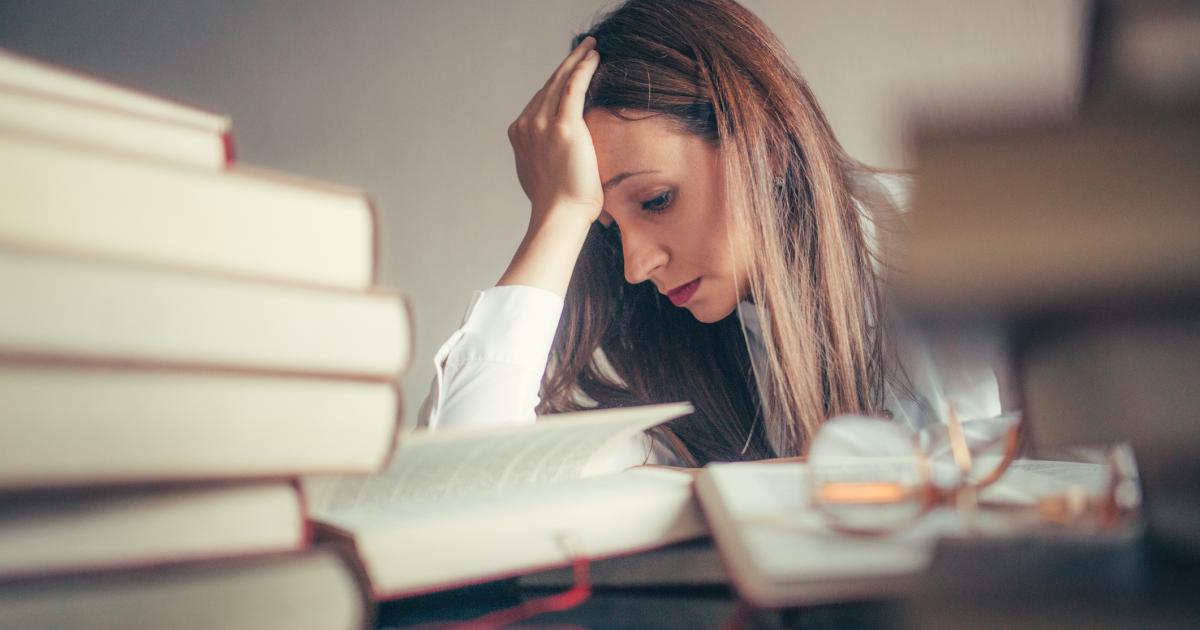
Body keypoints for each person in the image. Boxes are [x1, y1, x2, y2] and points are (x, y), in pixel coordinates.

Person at [418, 0, 1006, 466]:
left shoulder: (949, 249)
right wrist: (558, 215)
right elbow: (458, 479)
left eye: (656, 200)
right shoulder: (694, 351)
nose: (635, 266)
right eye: (606, 224)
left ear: (769, 147)